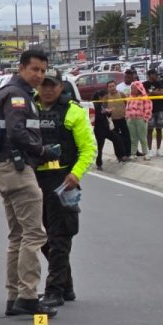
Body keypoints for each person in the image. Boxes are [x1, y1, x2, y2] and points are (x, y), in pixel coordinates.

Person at [0, 49, 60, 318]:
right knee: (34, 234)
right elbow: (16, 131)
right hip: (17, 168)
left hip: (5, 167)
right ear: (21, 68)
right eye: (34, 69)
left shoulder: (16, 92)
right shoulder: (17, 95)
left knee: (18, 236)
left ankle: (14, 297)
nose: (39, 75)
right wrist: (43, 151)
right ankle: (29, 296)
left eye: (43, 70)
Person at [33, 69, 96, 307]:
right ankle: (65, 285)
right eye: (44, 84)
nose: (48, 89)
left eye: (53, 85)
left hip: (63, 179)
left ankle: (54, 290)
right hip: (35, 180)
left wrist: (75, 174)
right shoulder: (30, 108)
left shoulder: (73, 111)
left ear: (61, 87)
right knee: (40, 237)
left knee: (60, 237)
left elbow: (89, 149)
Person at [124, 68, 151, 159]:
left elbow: (148, 108)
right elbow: (127, 108)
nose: (132, 89)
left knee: (143, 137)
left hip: (141, 119)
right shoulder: (130, 97)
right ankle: (133, 153)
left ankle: (146, 153)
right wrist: (127, 117)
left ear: (139, 88)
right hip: (131, 120)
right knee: (133, 138)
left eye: (133, 88)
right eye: (131, 88)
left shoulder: (144, 97)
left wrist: (145, 118)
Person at [146, 69, 163, 157]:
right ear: (150, 75)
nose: (156, 76)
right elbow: (145, 94)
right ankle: (149, 150)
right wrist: (156, 92)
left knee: (159, 129)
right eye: (154, 74)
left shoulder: (159, 83)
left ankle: (158, 149)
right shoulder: (145, 84)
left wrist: (152, 92)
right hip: (149, 110)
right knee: (149, 130)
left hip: (160, 109)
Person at [105, 80, 131, 162]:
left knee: (126, 136)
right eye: (110, 87)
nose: (112, 88)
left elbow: (127, 104)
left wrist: (127, 114)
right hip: (113, 121)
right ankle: (119, 156)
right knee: (116, 139)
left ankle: (127, 154)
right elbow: (104, 108)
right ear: (107, 88)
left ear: (115, 86)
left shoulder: (121, 94)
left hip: (123, 119)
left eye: (113, 86)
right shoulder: (107, 97)